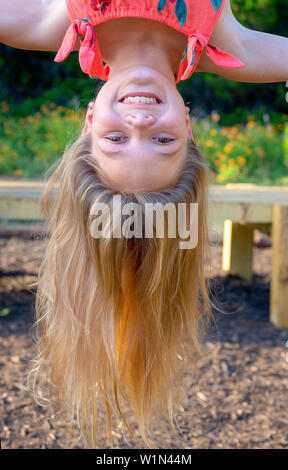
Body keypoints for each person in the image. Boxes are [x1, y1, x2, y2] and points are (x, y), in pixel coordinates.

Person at [1, 0, 287, 448]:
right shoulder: (230, 47)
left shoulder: (47, 22)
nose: (139, 122)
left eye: (116, 140)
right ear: (188, 128)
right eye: (162, 141)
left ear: (90, 124)